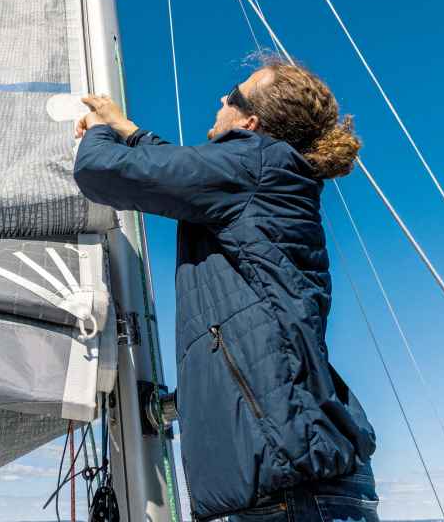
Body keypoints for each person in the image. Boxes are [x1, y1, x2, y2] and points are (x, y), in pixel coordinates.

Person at [73, 59, 379, 522]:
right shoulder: (262, 174)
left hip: (291, 486)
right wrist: (128, 129)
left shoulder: (254, 163)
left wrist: (98, 131)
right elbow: (181, 170)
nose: (221, 99)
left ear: (250, 123)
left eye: (232, 95)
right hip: (298, 480)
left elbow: (102, 171)